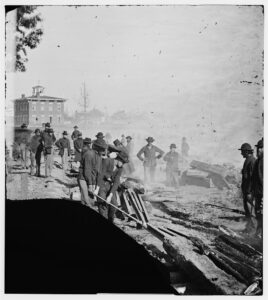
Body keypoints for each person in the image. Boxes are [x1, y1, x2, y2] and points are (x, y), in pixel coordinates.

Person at [95, 151, 129, 223]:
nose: (123, 164)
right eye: (123, 162)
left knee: (114, 204)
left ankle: (110, 220)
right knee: (102, 203)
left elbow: (116, 182)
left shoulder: (120, 168)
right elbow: (101, 174)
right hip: (101, 184)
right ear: (119, 160)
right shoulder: (107, 161)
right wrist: (97, 189)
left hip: (109, 185)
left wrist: (110, 196)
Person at [78, 138, 106, 207]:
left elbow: (97, 172)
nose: (104, 151)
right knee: (86, 200)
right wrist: (90, 185)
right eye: (102, 149)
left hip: (91, 179)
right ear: (98, 149)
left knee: (91, 201)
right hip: (83, 178)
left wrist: (95, 186)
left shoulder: (99, 157)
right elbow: (87, 171)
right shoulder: (89, 154)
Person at [238, 143, 256, 218]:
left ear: (247, 151)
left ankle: (252, 228)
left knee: (251, 210)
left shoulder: (252, 161)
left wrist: (249, 191)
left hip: (249, 191)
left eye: (242, 151)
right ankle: (249, 227)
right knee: (248, 210)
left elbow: (252, 178)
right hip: (247, 191)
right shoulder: (248, 160)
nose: (241, 153)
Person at [252, 139, 263, 237]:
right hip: (258, 193)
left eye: (260, 148)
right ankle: (259, 233)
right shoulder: (258, 161)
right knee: (258, 213)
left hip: (262, 194)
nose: (258, 150)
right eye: (258, 148)